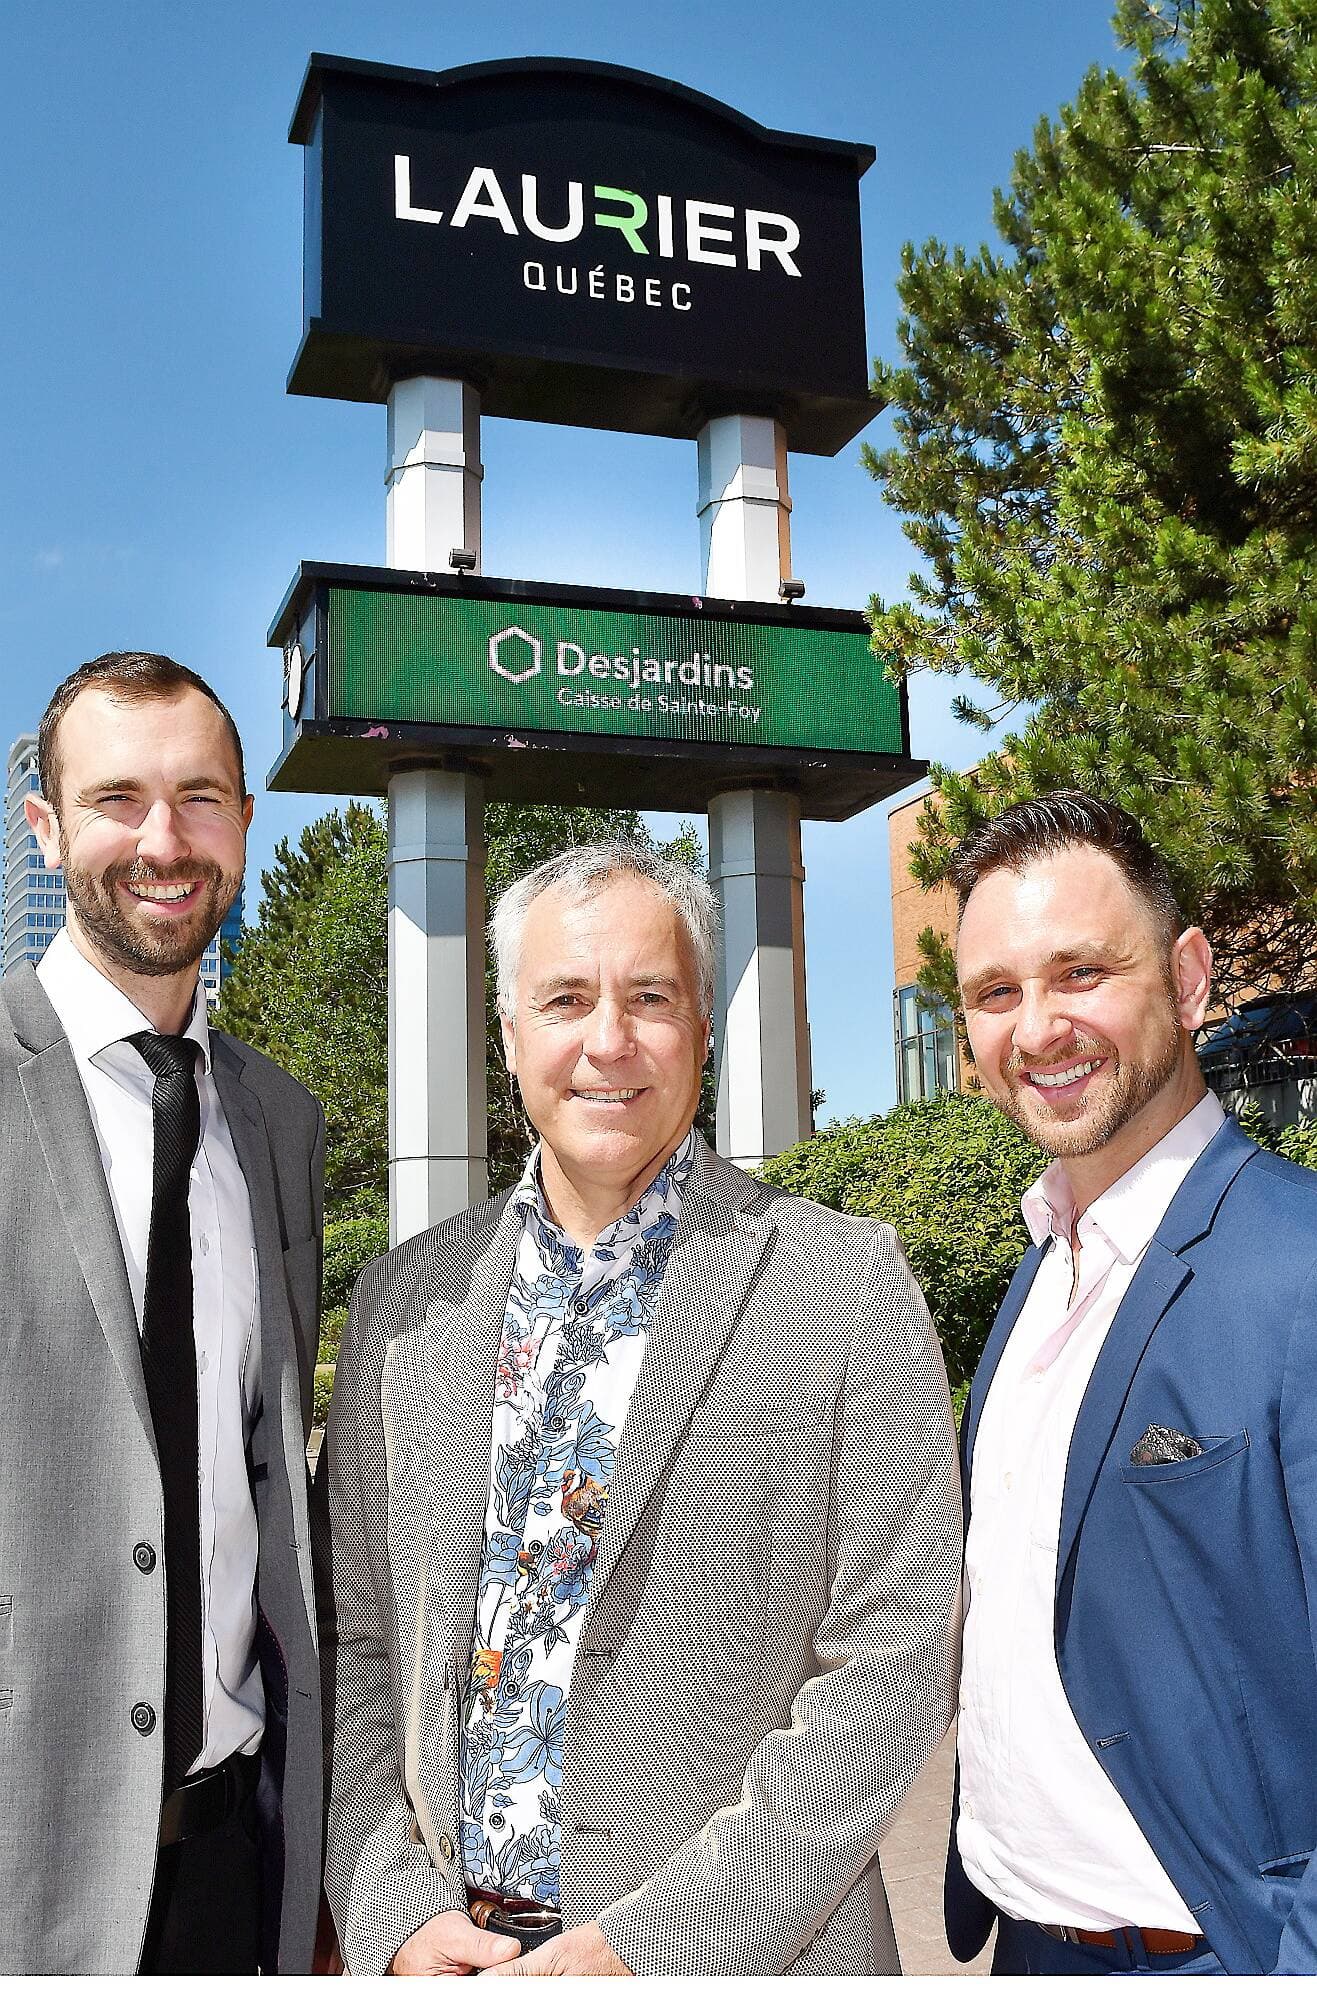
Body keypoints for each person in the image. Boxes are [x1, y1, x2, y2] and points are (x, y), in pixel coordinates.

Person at [321, 842, 960, 1977]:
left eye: (650, 999)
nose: (607, 1041)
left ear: (704, 1026)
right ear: (509, 1031)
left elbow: (893, 1661)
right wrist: (389, 1911)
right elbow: (358, 1643)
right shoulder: (405, 1303)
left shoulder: (844, 1285)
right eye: (565, 999)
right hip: (453, 1961)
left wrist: (651, 1946)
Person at [944, 790, 1317, 1977]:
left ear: (1191, 977)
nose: (1039, 1026)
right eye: (997, 993)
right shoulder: (1038, 1273)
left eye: (1081, 973)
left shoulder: (1299, 1267)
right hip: (1027, 1944)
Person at [0, 653, 325, 1974]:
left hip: (231, 1857)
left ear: (244, 824)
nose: (163, 839)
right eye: (118, 797)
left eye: (200, 797)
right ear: (48, 828)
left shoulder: (280, 1119)